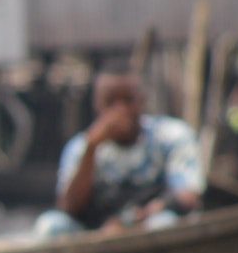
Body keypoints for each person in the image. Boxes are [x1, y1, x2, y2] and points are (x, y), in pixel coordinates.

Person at [35, 73, 202, 238]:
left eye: (128, 100)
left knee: (163, 225)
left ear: (142, 101)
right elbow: (68, 207)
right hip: (97, 231)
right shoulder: (81, 146)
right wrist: (91, 148)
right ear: (97, 105)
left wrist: (138, 218)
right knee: (50, 225)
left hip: (149, 221)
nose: (120, 110)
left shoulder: (171, 135)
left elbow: (188, 196)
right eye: (111, 102)